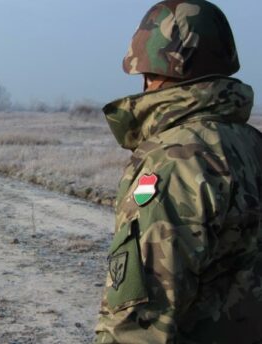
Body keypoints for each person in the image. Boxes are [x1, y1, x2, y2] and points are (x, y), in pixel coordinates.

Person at [94, 0, 262, 343]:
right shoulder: (250, 145)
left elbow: (138, 321)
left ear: (155, 71)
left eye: (146, 76)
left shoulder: (173, 160)